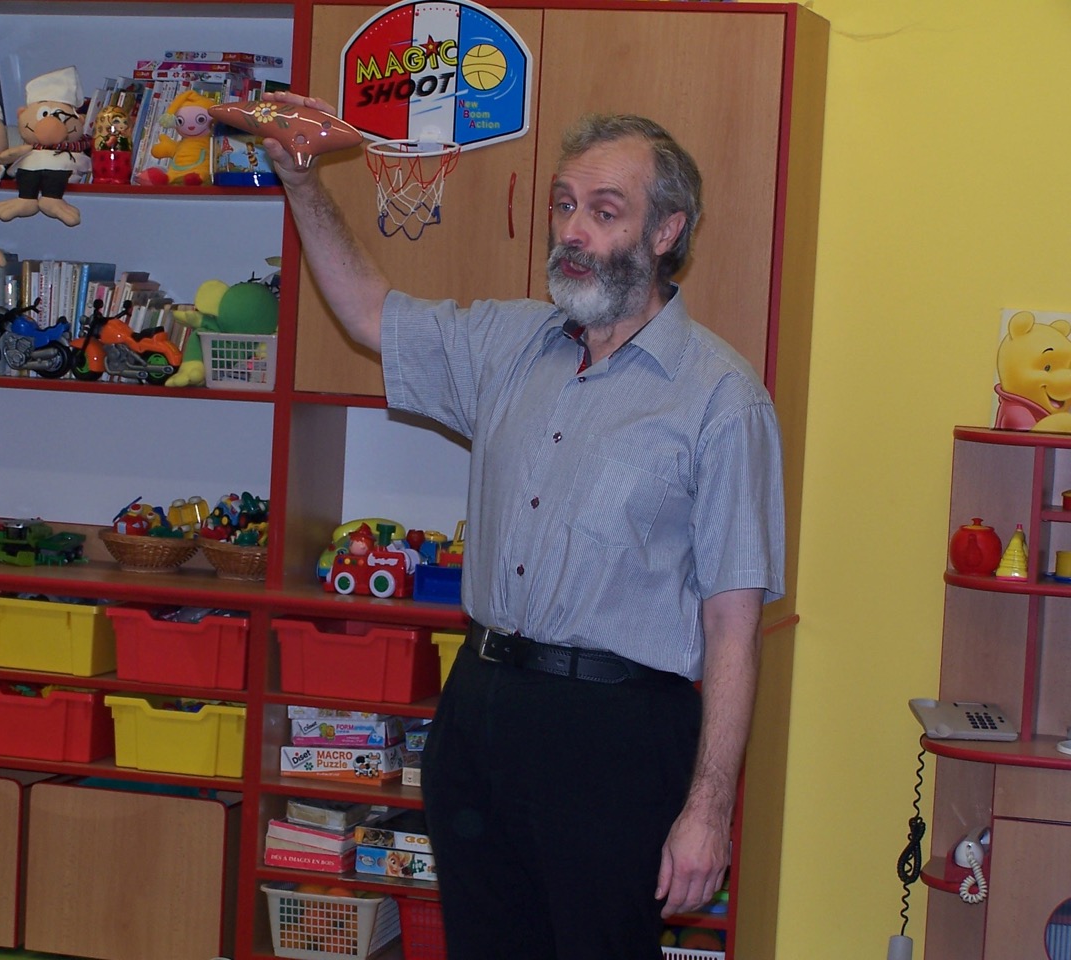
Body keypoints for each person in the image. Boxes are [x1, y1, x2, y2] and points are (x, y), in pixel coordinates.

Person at [262, 92, 786, 960]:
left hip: (618, 736)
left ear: (667, 232)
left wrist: (709, 808)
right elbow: (368, 312)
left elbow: (733, 625)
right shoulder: (508, 343)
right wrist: (300, 178)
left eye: (604, 212)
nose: (572, 230)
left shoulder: (721, 401)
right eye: (564, 204)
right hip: (481, 707)